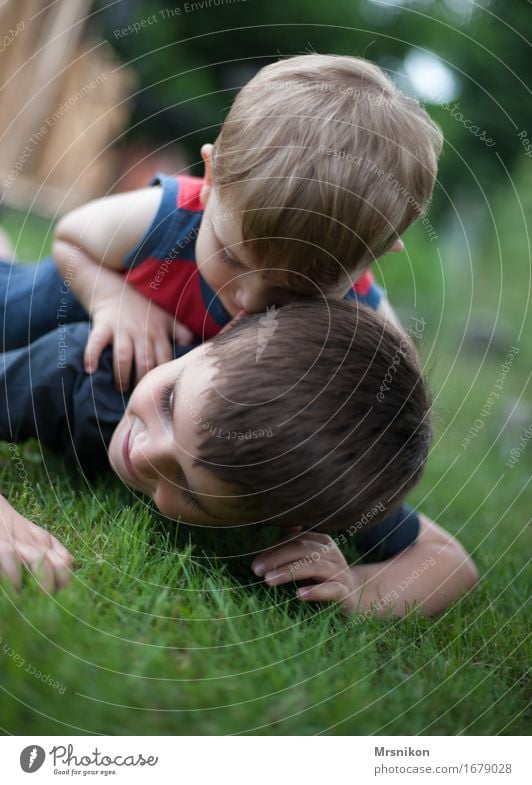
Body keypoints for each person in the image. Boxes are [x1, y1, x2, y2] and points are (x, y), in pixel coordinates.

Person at [0, 300, 478, 615]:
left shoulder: (311, 481)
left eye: (186, 488)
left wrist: (358, 587)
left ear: (294, 522)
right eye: (168, 402)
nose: (143, 452)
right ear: (221, 335)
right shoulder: (88, 373)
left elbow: (449, 561)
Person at [0, 53, 442, 393]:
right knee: (14, 310)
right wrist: (112, 300)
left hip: (145, 370)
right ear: (210, 180)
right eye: (230, 255)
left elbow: (399, 392)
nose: (250, 300)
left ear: (374, 256)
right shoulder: (170, 214)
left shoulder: (361, 313)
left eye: (297, 292)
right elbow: (71, 237)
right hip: (81, 294)